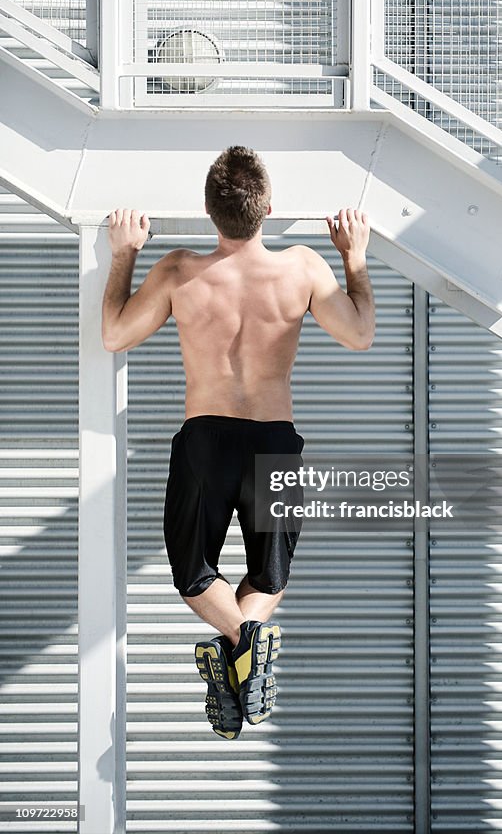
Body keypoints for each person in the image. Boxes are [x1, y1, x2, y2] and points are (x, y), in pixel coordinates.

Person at [101, 145, 375, 739]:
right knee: (270, 577)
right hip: (274, 441)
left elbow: (115, 334)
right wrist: (354, 258)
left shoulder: (178, 272)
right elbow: (359, 335)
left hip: (206, 439)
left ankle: (239, 651)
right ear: (268, 209)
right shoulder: (302, 268)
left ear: (208, 212)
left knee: (195, 572)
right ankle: (247, 645)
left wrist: (123, 255)